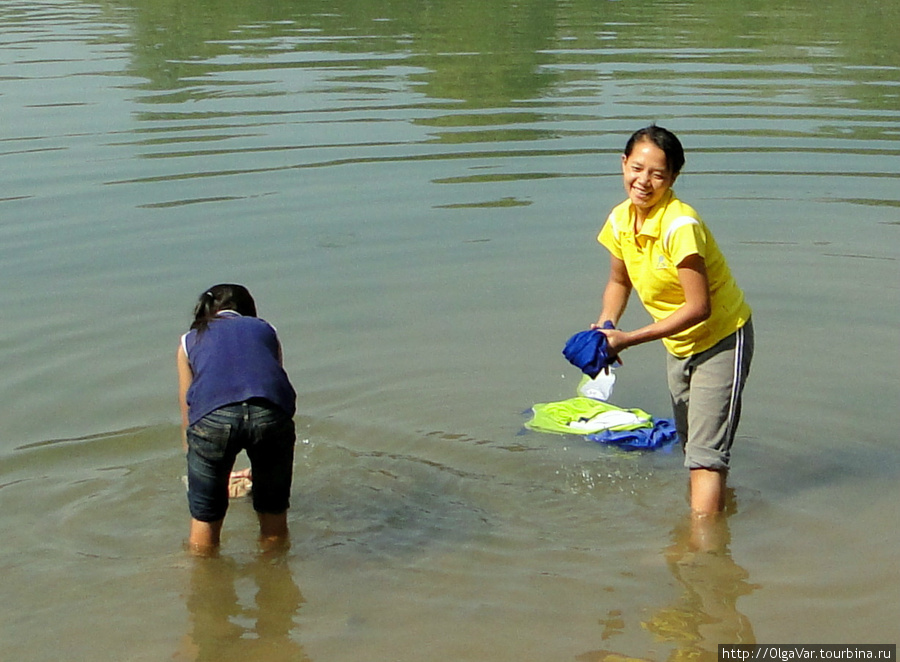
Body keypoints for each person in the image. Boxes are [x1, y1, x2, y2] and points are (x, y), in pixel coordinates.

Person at [593, 125, 753, 515]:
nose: (643, 181)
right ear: (623, 164)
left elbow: (700, 307)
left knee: (704, 457)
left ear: (673, 178)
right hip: (677, 342)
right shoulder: (619, 220)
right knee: (694, 448)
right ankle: (717, 517)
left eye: (657, 174)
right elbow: (619, 280)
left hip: (721, 339)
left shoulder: (681, 226)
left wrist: (628, 339)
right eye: (636, 168)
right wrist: (606, 326)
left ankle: (702, 552)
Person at [177, 284, 297, 555]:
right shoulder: (267, 331)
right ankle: (276, 583)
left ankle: (207, 585)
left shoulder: (188, 341)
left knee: (205, 521)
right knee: (273, 518)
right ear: (249, 312)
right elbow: (272, 388)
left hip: (213, 421)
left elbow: (190, 413)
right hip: (271, 415)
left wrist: (201, 470)